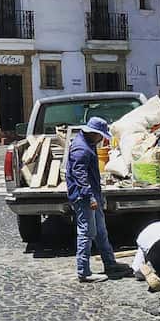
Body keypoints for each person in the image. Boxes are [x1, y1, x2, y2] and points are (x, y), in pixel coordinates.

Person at [65, 117, 130, 283]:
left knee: (101, 231)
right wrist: (90, 197)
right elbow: (80, 176)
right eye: (101, 135)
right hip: (84, 197)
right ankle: (84, 271)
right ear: (93, 133)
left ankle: (110, 263)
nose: (102, 138)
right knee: (87, 233)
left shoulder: (87, 144)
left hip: (91, 194)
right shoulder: (81, 149)